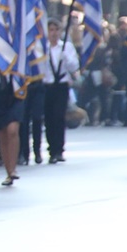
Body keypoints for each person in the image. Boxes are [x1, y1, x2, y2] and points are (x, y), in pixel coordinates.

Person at [42, 19, 79, 164]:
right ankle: (51, 149)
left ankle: (59, 149)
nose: (54, 33)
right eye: (51, 30)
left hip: (61, 86)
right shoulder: (43, 48)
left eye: (56, 30)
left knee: (59, 117)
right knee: (49, 118)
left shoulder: (67, 47)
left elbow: (74, 66)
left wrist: (67, 58)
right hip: (47, 85)